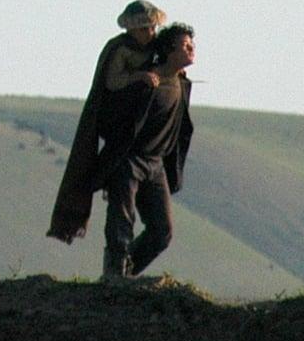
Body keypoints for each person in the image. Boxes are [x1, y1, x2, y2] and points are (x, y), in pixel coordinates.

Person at [49, 14, 198, 283]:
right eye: (185, 45)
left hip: (155, 164)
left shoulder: (181, 83)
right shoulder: (143, 85)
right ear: (169, 50)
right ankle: (114, 276)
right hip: (129, 160)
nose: (191, 49)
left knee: (162, 231)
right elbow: (110, 116)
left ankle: (125, 273)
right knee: (121, 222)